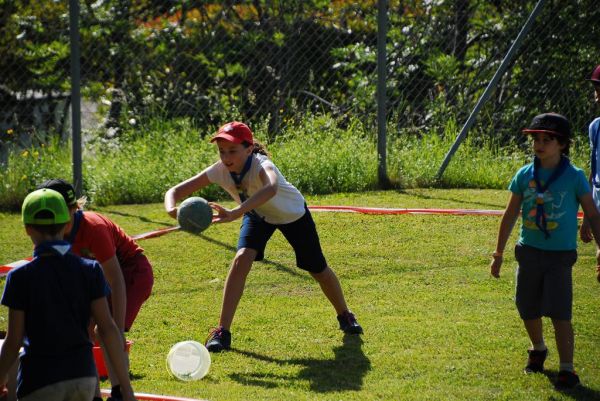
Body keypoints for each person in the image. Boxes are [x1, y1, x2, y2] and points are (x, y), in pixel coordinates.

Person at [164, 121, 363, 352]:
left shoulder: (262, 164)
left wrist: (236, 212)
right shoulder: (219, 170)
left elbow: (271, 188)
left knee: (317, 268)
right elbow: (174, 192)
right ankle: (222, 332)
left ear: (249, 149)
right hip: (257, 215)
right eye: (221, 151)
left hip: (292, 215)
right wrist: (172, 209)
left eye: (232, 151)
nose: (226, 157)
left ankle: (345, 315)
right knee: (241, 259)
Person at [489, 112, 600, 390]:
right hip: (528, 251)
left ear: (562, 144)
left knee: (560, 312)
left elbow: (593, 214)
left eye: (547, 139)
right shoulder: (525, 175)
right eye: (535, 139)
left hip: (560, 256)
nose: (539, 144)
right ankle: (538, 348)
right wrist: (498, 253)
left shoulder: (573, 177)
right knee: (526, 306)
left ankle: (567, 368)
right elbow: (510, 213)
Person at [0, 188, 136, 401]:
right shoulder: (91, 270)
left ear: (27, 229)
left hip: (39, 382)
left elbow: (13, 340)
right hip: (83, 379)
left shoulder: (19, 277)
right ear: (66, 225)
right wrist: (126, 389)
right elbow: (108, 328)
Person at [36, 179, 153, 401]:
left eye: (62, 214)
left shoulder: (93, 228)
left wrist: (117, 328)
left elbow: (116, 279)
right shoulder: (49, 234)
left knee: (104, 330)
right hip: (97, 276)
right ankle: (93, 393)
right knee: (85, 331)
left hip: (131, 273)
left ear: (74, 209)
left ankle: (120, 391)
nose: (55, 223)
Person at [579, 63, 600, 282]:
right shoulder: (595, 127)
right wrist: (586, 216)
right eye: (596, 90)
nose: (596, 96)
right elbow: (593, 170)